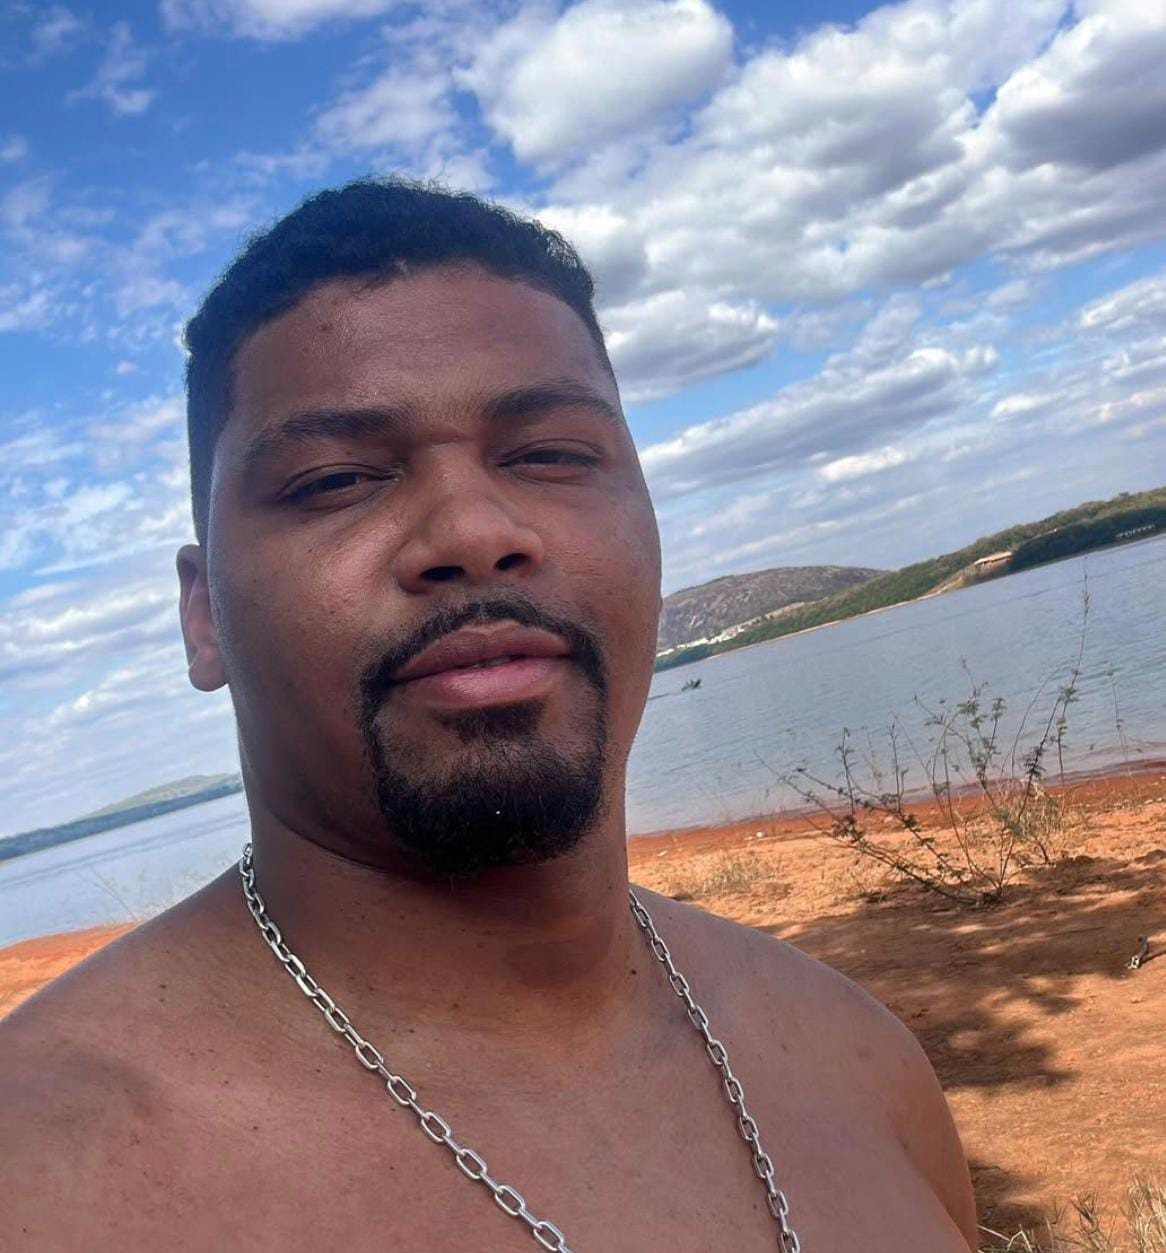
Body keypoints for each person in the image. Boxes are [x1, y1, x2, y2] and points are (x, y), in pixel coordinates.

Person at [0, 179, 978, 1251]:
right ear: (204, 618)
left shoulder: (853, 1057)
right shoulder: (43, 1180)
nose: (472, 530)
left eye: (549, 453)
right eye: (334, 479)